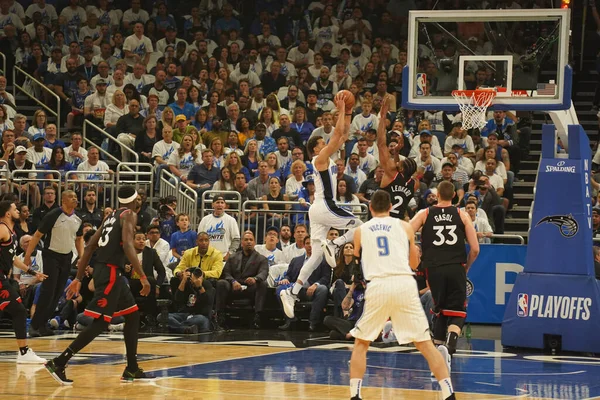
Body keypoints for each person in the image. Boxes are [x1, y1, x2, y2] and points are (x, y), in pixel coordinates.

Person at [349, 190, 456, 400]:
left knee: (362, 343)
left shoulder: (360, 230)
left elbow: (356, 259)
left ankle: (355, 396)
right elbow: (415, 263)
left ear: (370, 208)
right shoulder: (405, 226)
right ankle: (448, 394)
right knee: (425, 343)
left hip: (378, 283)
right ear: (391, 207)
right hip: (404, 283)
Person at [45, 186, 153, 385]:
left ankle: (131, 368)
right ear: (136, 199)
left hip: (110, 271)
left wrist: (78, 278)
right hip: (111, 271)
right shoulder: (129, 215)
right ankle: (59, 361)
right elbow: (128, 245)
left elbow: (89, 246)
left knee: (132, 315)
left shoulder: (110, 216)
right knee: (101, 322)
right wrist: (143, 276)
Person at [280, 91, 362, 319]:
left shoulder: (326, 156)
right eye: (320, 143)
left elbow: (343, 135)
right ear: (315, 149)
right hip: (325, 205)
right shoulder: (319, 158)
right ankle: (335, 244)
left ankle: (292, 292)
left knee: (316, 255)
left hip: (317, 210)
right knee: (361, 225)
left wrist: (349, 111)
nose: (324, 143)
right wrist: (341, 110)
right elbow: (337, 134)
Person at [410, 180, 480, 371]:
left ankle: (438, 359)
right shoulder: (461, 214)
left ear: (437, 195)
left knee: (439, 309)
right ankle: (449, 347)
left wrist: (413, 249)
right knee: (457, 310)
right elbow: (475, 249)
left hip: (433, 268)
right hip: (455, 266)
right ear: (455, 196)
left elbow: (406, 231)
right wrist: (466, 267)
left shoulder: (424, 213)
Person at [26, 190, 84, 337]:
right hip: (51, 256)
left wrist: (82, 257)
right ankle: (34, 325)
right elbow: (37, 235)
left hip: (67, 257)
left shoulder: (78, 219)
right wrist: (27, 256)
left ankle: (44, 325)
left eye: (76, 197)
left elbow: (79, 239)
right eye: (71, 197)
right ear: (63, 200)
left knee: (59, 293)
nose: (74, 199)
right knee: (48, 290)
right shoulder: (53, 215)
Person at [0, 200, 47, 363]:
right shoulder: (1, 228)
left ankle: (24, 352)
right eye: (14, 209)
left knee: (17, 310)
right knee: (19, 310)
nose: (18, 211)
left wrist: (34, 272)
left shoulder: (11, 232)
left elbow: (13, 258)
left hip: (3, 277)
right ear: (7, 213)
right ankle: (24, 352)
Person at [377, 98, 417, 220]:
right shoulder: (414, 184)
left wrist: (383, 117)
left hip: (381, 220)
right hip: (397, 223)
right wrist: (396, 153)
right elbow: (400, 173)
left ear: (400, 167)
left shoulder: (390, 173)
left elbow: (381, 144)